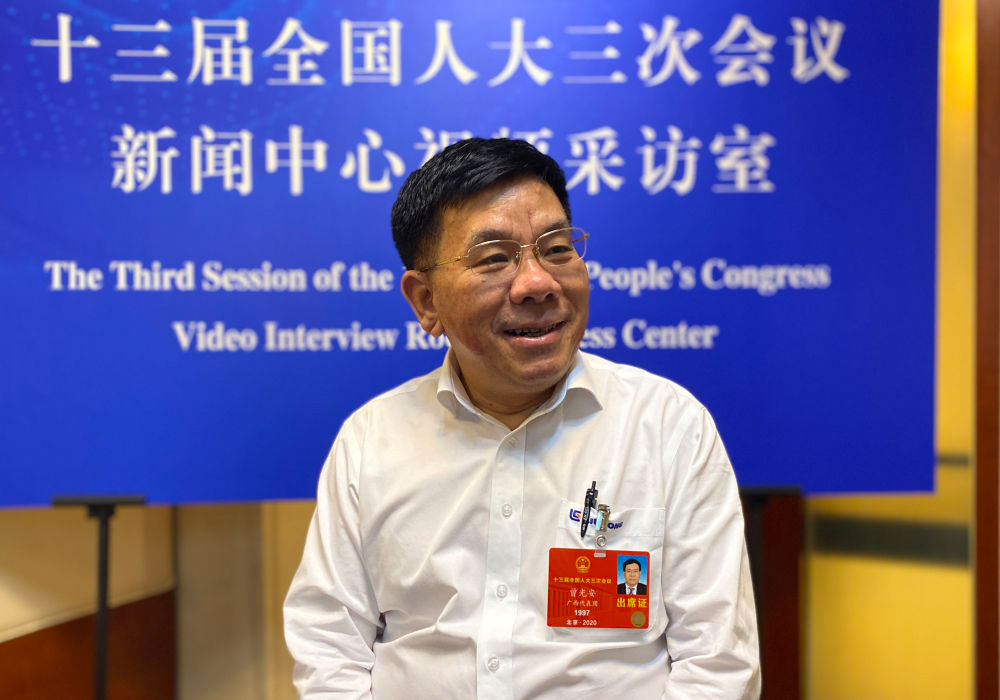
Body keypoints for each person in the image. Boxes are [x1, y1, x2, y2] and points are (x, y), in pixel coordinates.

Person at [284, 138, 760, 698]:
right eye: (494, 259)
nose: (538, 283)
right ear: (426, 301)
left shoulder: (667, 425)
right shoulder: (371, 439)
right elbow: (330, 648)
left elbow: (717, 664)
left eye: (556, 249)